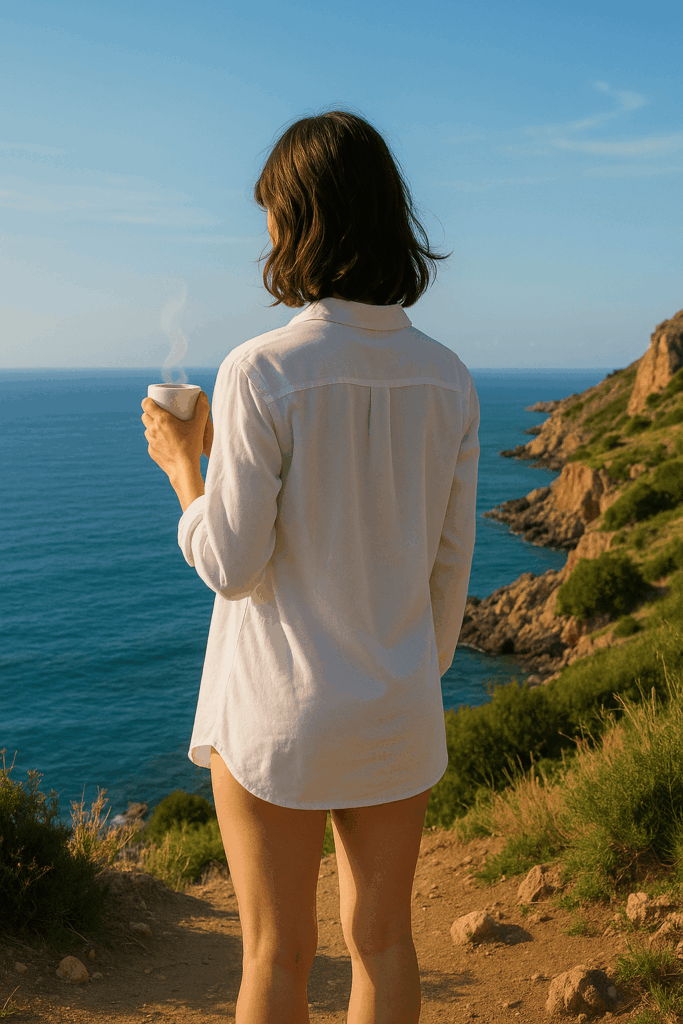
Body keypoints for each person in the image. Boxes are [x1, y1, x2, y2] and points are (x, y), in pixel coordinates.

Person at [141, 109, 480, 1024]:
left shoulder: (261, 370)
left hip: (279, 712)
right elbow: (449, 564)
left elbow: (231, 564)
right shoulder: (447, 376)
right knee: (385, 943)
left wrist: (183, 467)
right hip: (395, 706)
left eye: (271, 211)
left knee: (277, 954)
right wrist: (406, 676)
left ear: (300, 218)